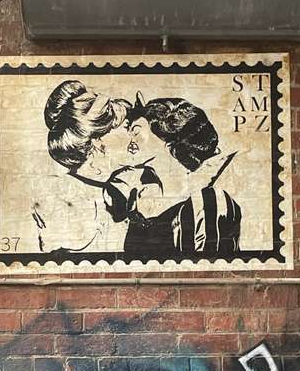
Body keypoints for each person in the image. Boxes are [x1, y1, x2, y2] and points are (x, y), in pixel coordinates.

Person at [45, 81, 241, 259]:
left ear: (168, 143)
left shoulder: (207, 203)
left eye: (135, 130)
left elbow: (208, 274)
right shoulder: (132, 203)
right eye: (129, 128)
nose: (131, 139)